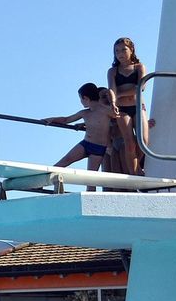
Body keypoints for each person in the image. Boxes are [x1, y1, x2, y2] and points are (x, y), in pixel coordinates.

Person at [44, 83, 120, 188]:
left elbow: (110, 91)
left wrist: (113, 103)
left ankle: (90, 201)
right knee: (65, 160)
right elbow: (66, 120)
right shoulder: (84, 113)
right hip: (85, 144)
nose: (80, 102)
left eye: (80, 99)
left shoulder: (106, 110)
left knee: (91, 179)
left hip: (98, 149)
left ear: (86, 98)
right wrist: (52, 119)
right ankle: (42, 180)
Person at [108, 37, 150, 175]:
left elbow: (140, 87)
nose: (120, 53)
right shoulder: (113, 71)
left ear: (131, 50)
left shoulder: (139, 67)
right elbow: (111, 89)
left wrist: (119, 94)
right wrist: (114, 102)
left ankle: (136, 166)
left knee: (143, 142)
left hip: (138, 106)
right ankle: (134, 172)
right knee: (129, 143)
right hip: (122, 110)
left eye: (123, 50)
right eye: (117, 51)